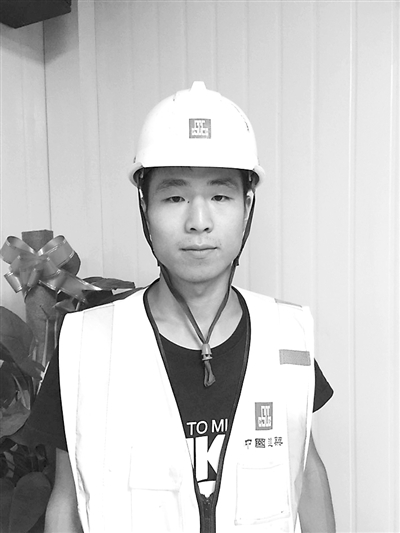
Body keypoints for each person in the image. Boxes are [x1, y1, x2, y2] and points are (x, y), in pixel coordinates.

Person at [27, 81, 336, 532]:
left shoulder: (285, 336)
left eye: (220, 196)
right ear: (145, 207)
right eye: (174, 197)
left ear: (247, 206)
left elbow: (305, 473)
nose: (198, 221)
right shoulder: (86, 346)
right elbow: (67, 499)